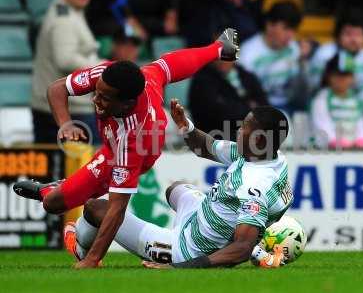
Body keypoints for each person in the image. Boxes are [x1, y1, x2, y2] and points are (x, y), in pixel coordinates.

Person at [13, 28, 240, 269]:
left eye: (104, 98)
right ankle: (218, 47)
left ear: (127, 103)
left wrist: (93, 260)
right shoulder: (107, 73)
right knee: (53, 204)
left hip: (138, 150)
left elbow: (117, 209)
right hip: (115, 143)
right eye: (96, 92)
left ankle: (81, 238)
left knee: (97, 204)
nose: (94, 100)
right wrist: (66, 123)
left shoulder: (135, 139)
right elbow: (56, 88)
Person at [64, 99, 291, 268]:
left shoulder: (255, 184)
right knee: (176, 189)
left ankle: (80, 246)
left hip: (185, 248)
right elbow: (207, 147)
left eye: (245, 127)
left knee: (96, 207)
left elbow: (243, 247)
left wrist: (179, 267)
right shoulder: (267, 156)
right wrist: (185, 125)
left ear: (259, 138)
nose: (239, 130)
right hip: (198, 217)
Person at [31, 0, 102, 144]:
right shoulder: (64, 20)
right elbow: (65, 59)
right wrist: (101, 68)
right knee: (87, 163)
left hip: (59, 107)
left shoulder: (71, 11)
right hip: (68, 109)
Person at [238, 1, 307, 114]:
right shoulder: (248, 54)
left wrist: (303, 62)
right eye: (286, 28)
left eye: (293, 30)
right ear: (269, 25)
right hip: (261, 110)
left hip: (290, 106)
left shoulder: (293, 48)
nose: (290, 35)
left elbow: (300, 91)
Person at [189, 60, 267, 140]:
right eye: (219, 57)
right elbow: (218, 113)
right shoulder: (202, 80)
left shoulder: (246, 75)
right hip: (216, 136)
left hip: (251, 132)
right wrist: (249, 108)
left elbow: (264, 107)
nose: (223, 61)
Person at [311, 53, 363, 149]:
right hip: (327, 149)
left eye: (346, 75)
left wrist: (362, 139)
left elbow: (360, 123)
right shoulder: (321, 98)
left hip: (354, 148)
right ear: (328, 76)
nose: (341, 79)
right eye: (337, 75)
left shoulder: (356, 100)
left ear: (352, 78)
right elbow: (321, 124)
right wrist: (334, 140)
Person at [307, 10, 363, 92]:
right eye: (348, 34)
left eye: (358, 35)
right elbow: (313, 85)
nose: (354, 40)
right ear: (337, 36)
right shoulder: (324, 54)